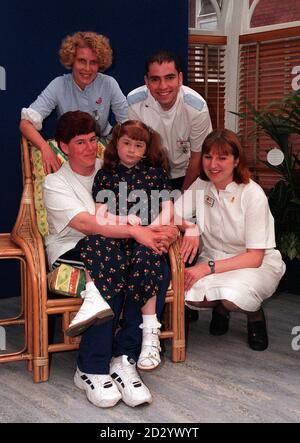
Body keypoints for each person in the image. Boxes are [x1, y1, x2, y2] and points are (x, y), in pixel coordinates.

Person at [43, 111, 178, 408]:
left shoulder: (113, 168)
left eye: (93, 140)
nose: (91, 147)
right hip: (73, 251)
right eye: (80, 142)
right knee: (108, 262)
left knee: (155, 266)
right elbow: (88, 225)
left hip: (119, 244)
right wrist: (137, 232)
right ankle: (90, 367)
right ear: (63, 147)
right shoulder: (55, 183)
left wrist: (165, 229)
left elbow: (156, 202)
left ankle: (125, 358)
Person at [175, 129, 286, 351]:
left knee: (232, 298)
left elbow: (255, 257)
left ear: (236, 161)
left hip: (254, 263)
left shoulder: (252, 194)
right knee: (188, 296)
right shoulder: (201, 185)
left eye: (222, 158)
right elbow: (172, 214)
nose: (213, 164)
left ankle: (254, 316)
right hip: (214, 257)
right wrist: (191, 227)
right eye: (208, 157)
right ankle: (221, 310)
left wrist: (207, 268)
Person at [91, 119, 175, 372]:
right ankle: (115, 340)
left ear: (146, 149)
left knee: (147, 257)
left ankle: (150, 333)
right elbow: (99, 214)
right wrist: (126, 222)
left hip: (147, 239)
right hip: (117, 239)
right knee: (119, 257)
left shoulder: (155, 174)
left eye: (138, 145)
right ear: (115, 143)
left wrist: (151, 231)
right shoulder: (106, 175)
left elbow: (168, 208)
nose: (131, 150)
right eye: (126, 143)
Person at [20, 31, 128, 175]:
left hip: (101, 145)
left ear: (101, 63)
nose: (87, 69)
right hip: (69, 150)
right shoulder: (58, 85)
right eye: (82, 61)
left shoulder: (109, 84)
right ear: (71, 61)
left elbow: (127, 123)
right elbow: (25, 124)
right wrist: (45, 148)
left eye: (93, 62)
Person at [127, 49, 212, 192]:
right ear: (146, 81)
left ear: (180, 78)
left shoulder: (197, 108)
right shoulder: (135, 103)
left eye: (169, 77)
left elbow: (198, 157)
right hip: (151, 174)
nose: (163, 86)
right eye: (155, 79)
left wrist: (181, 198)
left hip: (188, 174)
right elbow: (135, 152)